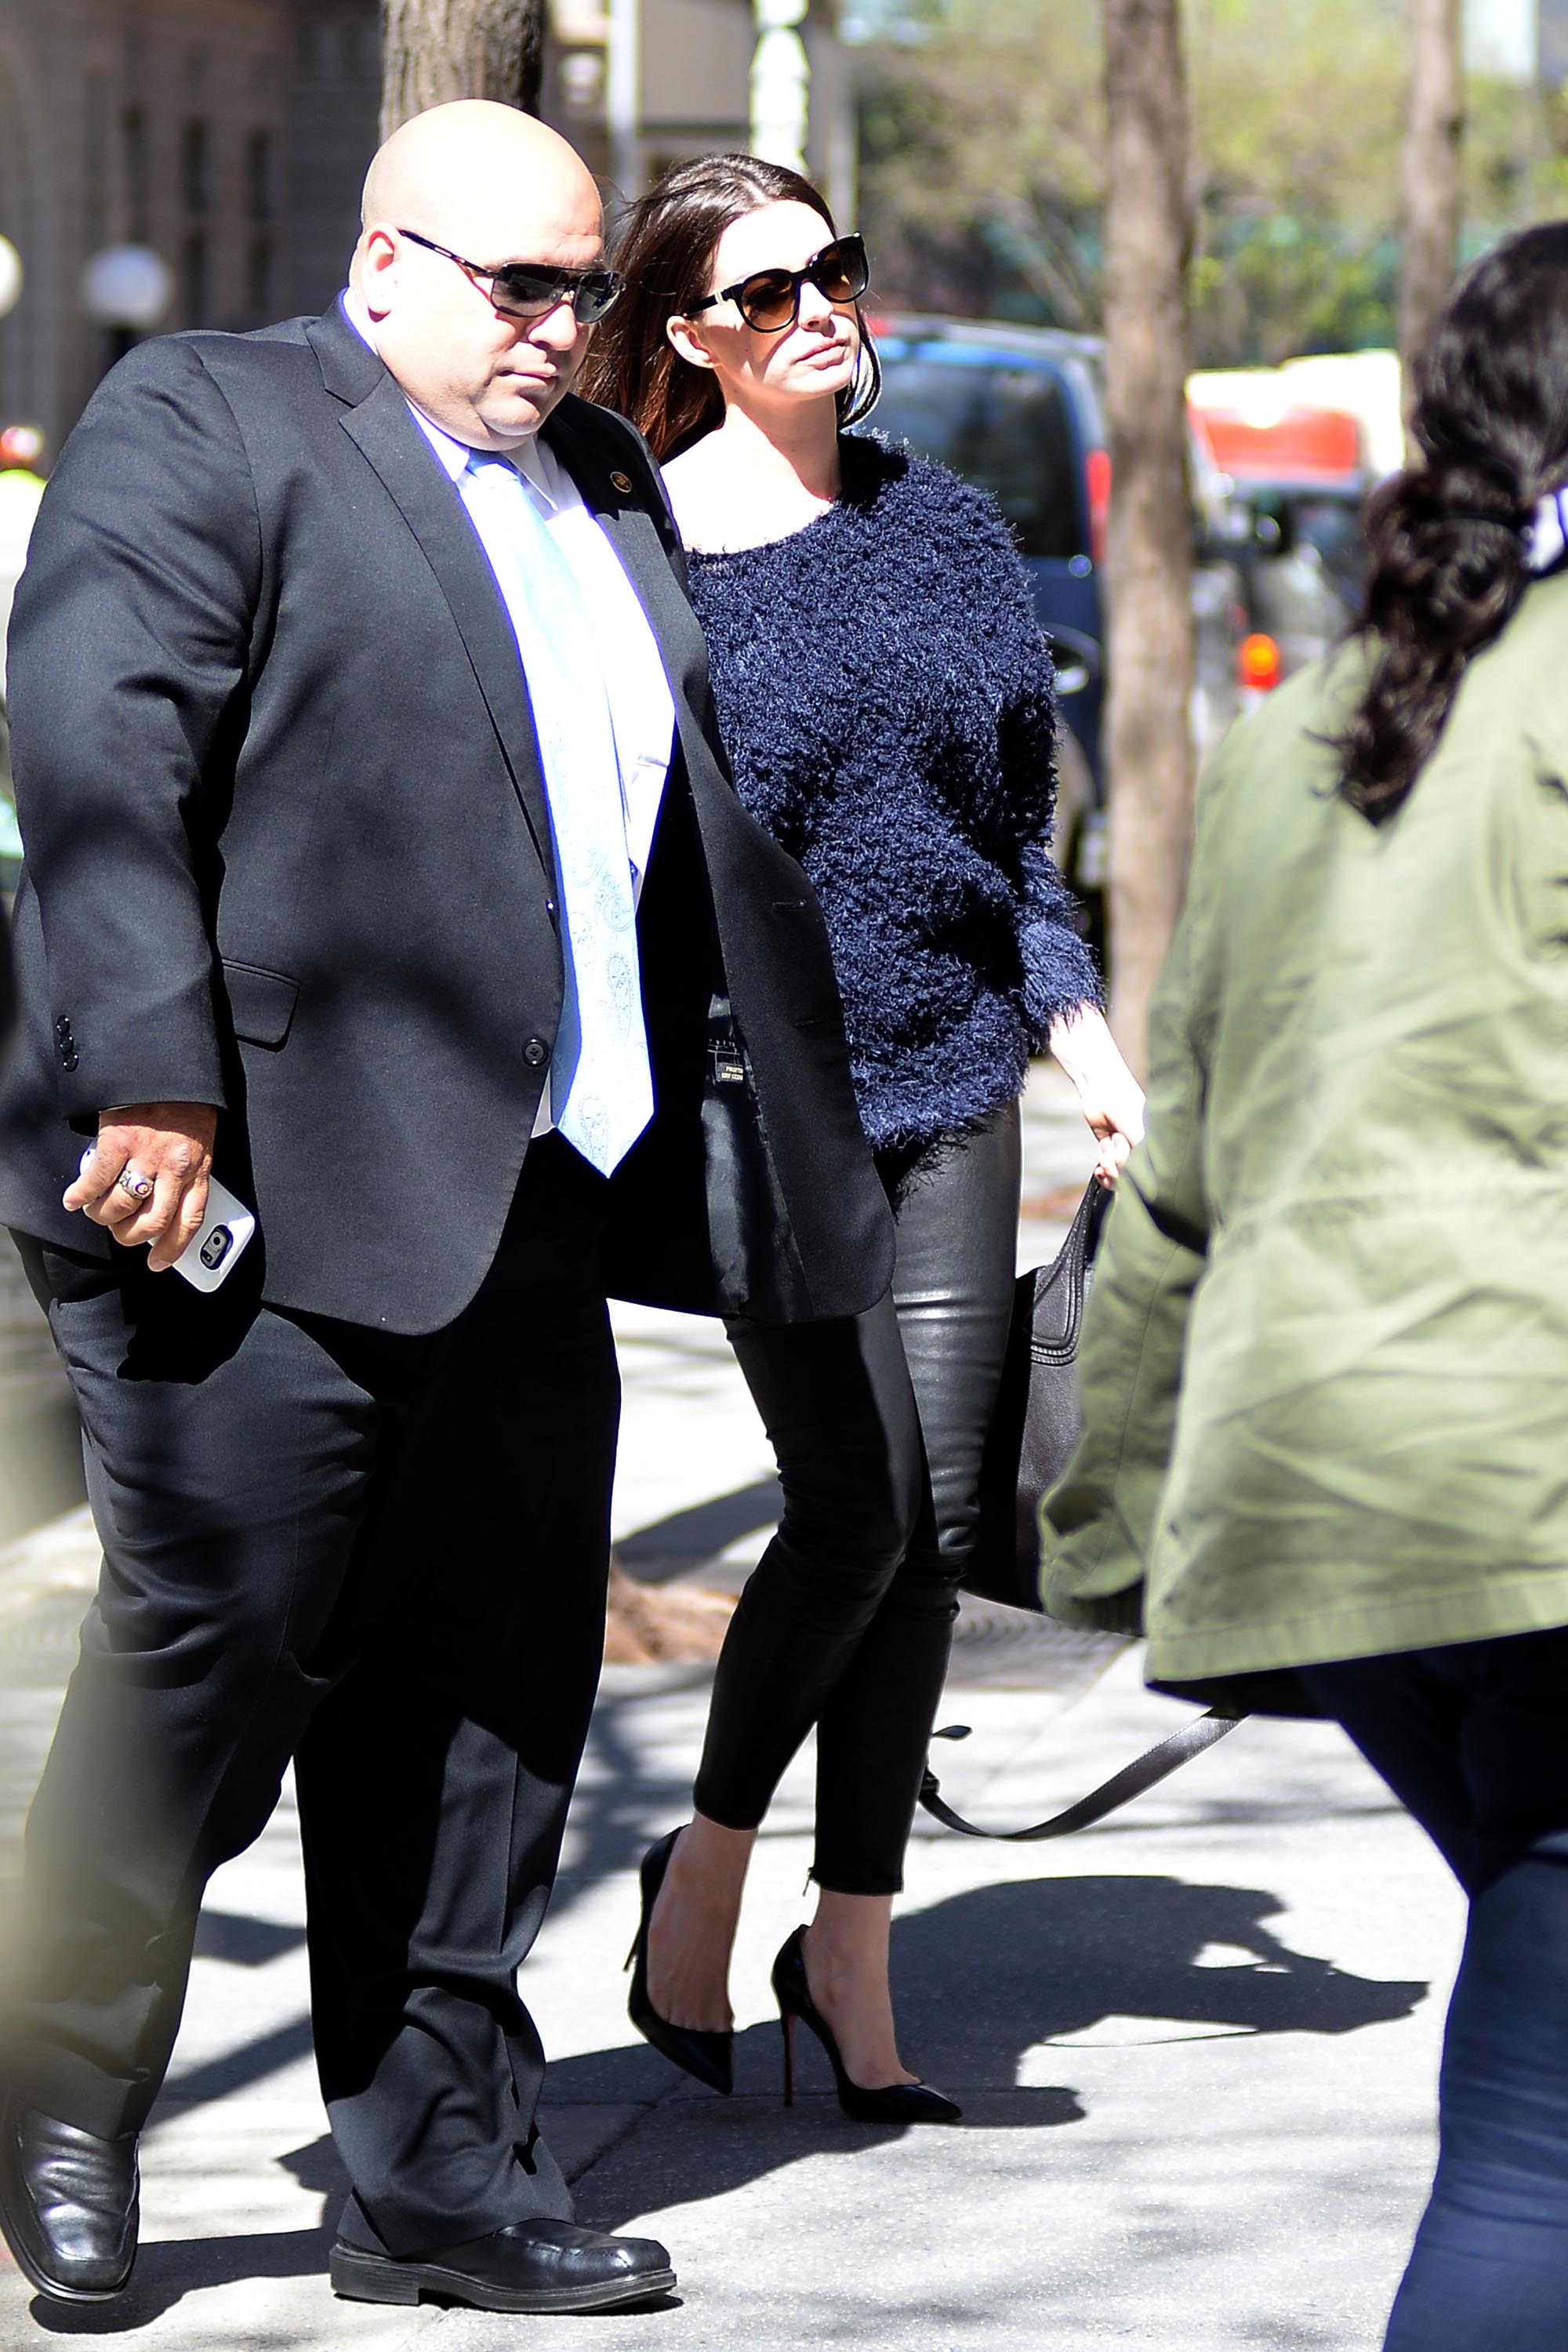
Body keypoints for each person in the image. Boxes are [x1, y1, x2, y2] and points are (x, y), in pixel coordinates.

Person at [0, 103, 895, 2316]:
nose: (560, 329)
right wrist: (159, 1080)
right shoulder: (208, 414)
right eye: (518, 288)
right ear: (383, 260)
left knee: (491, 1702)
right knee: (209, 1668)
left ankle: (438, 2174)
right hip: (248, 1192)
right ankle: (55, 2086)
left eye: (584, 288)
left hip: (530, 1201)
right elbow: (100, 751)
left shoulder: (599, 485)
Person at [1044, 221, 1568, 2352]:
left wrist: (1112, 1535)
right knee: (1537, 2154)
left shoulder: (1318, 726)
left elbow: (1185, 1177)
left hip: (1325, 1514)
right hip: (1526, 1505)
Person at [580, 154, 1144, 2113]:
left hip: (957, 1077)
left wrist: (1078, 1028)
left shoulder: (954, 530)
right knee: (864, 1503)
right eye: (771, 288)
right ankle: (701, 1883)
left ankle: (853, 1956)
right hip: (762, 1105)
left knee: (921, 1549)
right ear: (688, 334)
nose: (826, 306)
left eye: (837, 268)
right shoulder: (638, 551)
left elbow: (1013, 828)